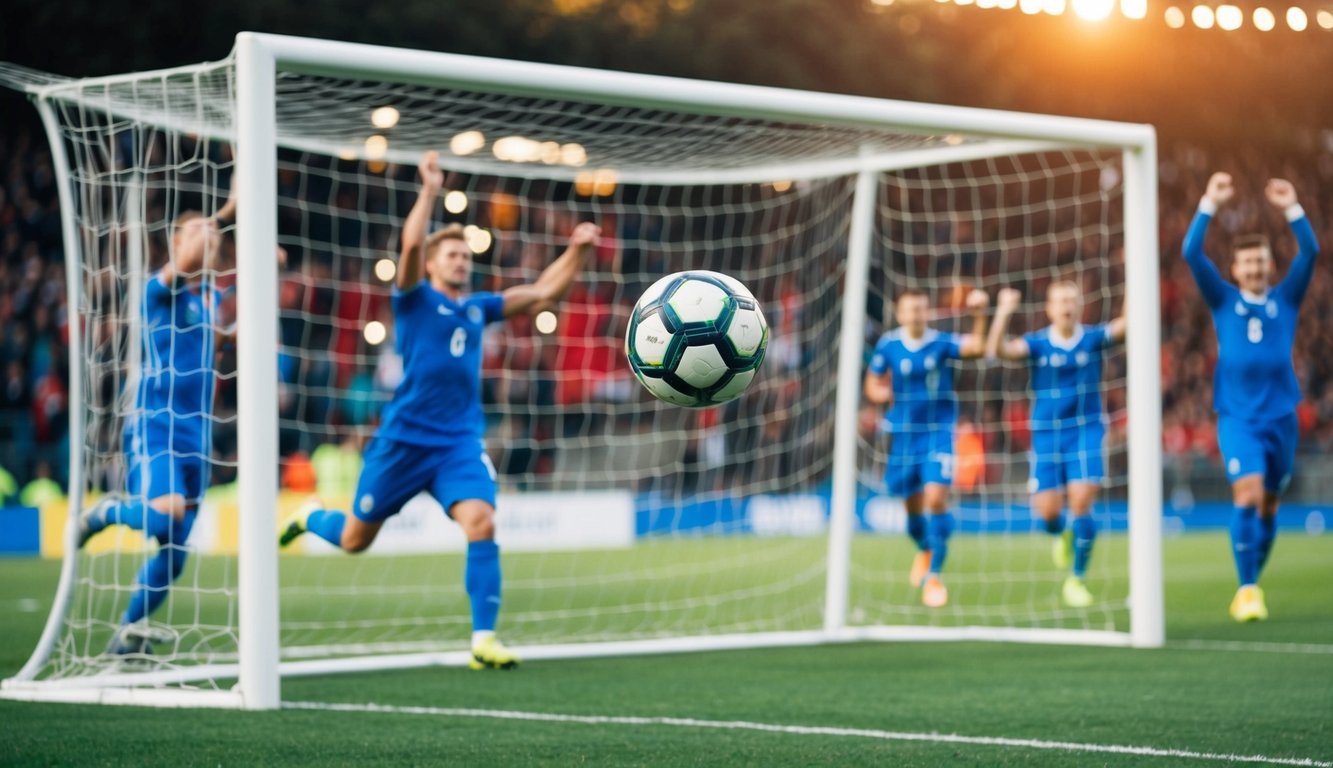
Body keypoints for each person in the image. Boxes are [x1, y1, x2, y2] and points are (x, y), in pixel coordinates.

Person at [279, 151, 600, 670]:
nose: (459, 259)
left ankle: (483, 638)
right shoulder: (412, 299)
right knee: (355, 540)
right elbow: (409, 244)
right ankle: (309, 516)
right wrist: (429, 189)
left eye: (463, 253)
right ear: (430, 265)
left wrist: (579, 251)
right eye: (449, 254)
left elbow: (541, 292)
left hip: (457, 444)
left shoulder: (476, 308)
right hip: (402, 441)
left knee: (483, 522)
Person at [76, 187, 248, 655]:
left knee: (174, 553)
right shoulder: (158, 290)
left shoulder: (209, 299)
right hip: (157, 424)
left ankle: (127, 635)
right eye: (196, 233)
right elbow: (193, 256)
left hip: (199, 434)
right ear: (175, 244)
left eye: (212, 234)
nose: (208, 240)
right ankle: (106, 511)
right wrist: (225, 214)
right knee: (163, 513)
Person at [1183, 173, 1318, 622]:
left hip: (1282, 417)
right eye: (1248, 264)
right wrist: (1209, 203)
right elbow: (1190, 252)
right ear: (1236, 270)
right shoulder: (1222, 299)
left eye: (1261, 262)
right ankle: (1247, 589)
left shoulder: (1287, 298)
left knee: (1269, 505)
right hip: (1238, 418)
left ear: (1268, 266)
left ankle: (1252, 578)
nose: (1256, 269)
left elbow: (1311, 252)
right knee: (1248, 494)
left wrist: (1292, 208)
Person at [985, 281, 1125, 608]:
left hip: (1086, 431)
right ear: (1049, 308)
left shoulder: (1092, 338)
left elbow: (1125, 327)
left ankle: (1076, 578)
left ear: (1080, 305)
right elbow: (998, 350)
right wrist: (1004, 310)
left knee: (1081, 500)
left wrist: (1134, 281)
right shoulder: (1037, 344)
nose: (1066, 306)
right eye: (1060, 300)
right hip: (1047, 436)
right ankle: (1060, 533)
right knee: (1048, 511)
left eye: (1072, 300)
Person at [863, 287, 989, 608]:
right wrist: (882, 395)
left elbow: (975, 348)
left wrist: (979, 316)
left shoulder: (941, 343)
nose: (917, 315)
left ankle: (934, 577)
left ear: (927, 312)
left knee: (936, 498)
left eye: (921, 309)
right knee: (913, 514)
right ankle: (925, 548)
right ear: (901, 314)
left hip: (939, 433)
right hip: (904, 436)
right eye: (911, 310)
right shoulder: (889, 345)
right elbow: (873, 382)